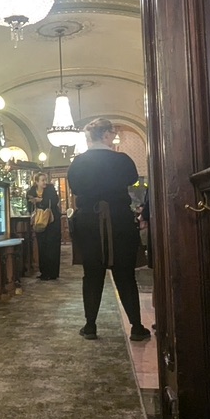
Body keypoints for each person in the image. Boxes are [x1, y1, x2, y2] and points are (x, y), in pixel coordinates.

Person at [67, 117, 151, 341]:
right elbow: (132, 179)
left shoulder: (78, 162)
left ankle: (90, 326)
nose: (113, 137)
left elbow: (74, 187)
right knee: (125, 275)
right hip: (120, 220)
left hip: (88, 222)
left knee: (92, 275)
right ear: (105, 135)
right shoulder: (122, 160)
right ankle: (136, 327)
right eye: (112, 134)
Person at [26, 170, 62, 280]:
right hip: (39, 222)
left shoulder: (50, 189)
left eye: (45, 180)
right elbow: (28, 204)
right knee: (42, 246)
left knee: (52, 246)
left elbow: (54, 201)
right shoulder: (31, 191)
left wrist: (41, 200)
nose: (45, 182)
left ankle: (53, 273)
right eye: (42, 180)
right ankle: (44, 272)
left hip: (52, 221)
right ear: (36, 182)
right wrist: (32, 203)